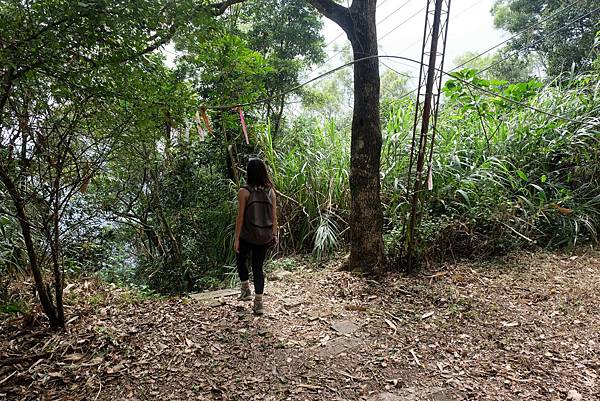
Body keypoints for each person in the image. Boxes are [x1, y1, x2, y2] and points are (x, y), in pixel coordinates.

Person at [234, 158, 278, 315]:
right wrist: (274, 234)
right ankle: (258, 303)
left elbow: (240, 217)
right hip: (264, 236)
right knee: (258, 267)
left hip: (247, 234)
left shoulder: (244, 191)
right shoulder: (270, 191)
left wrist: (237, 237)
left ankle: (245, 289)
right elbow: (274, 216)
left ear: (249, 172)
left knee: (240, 259)